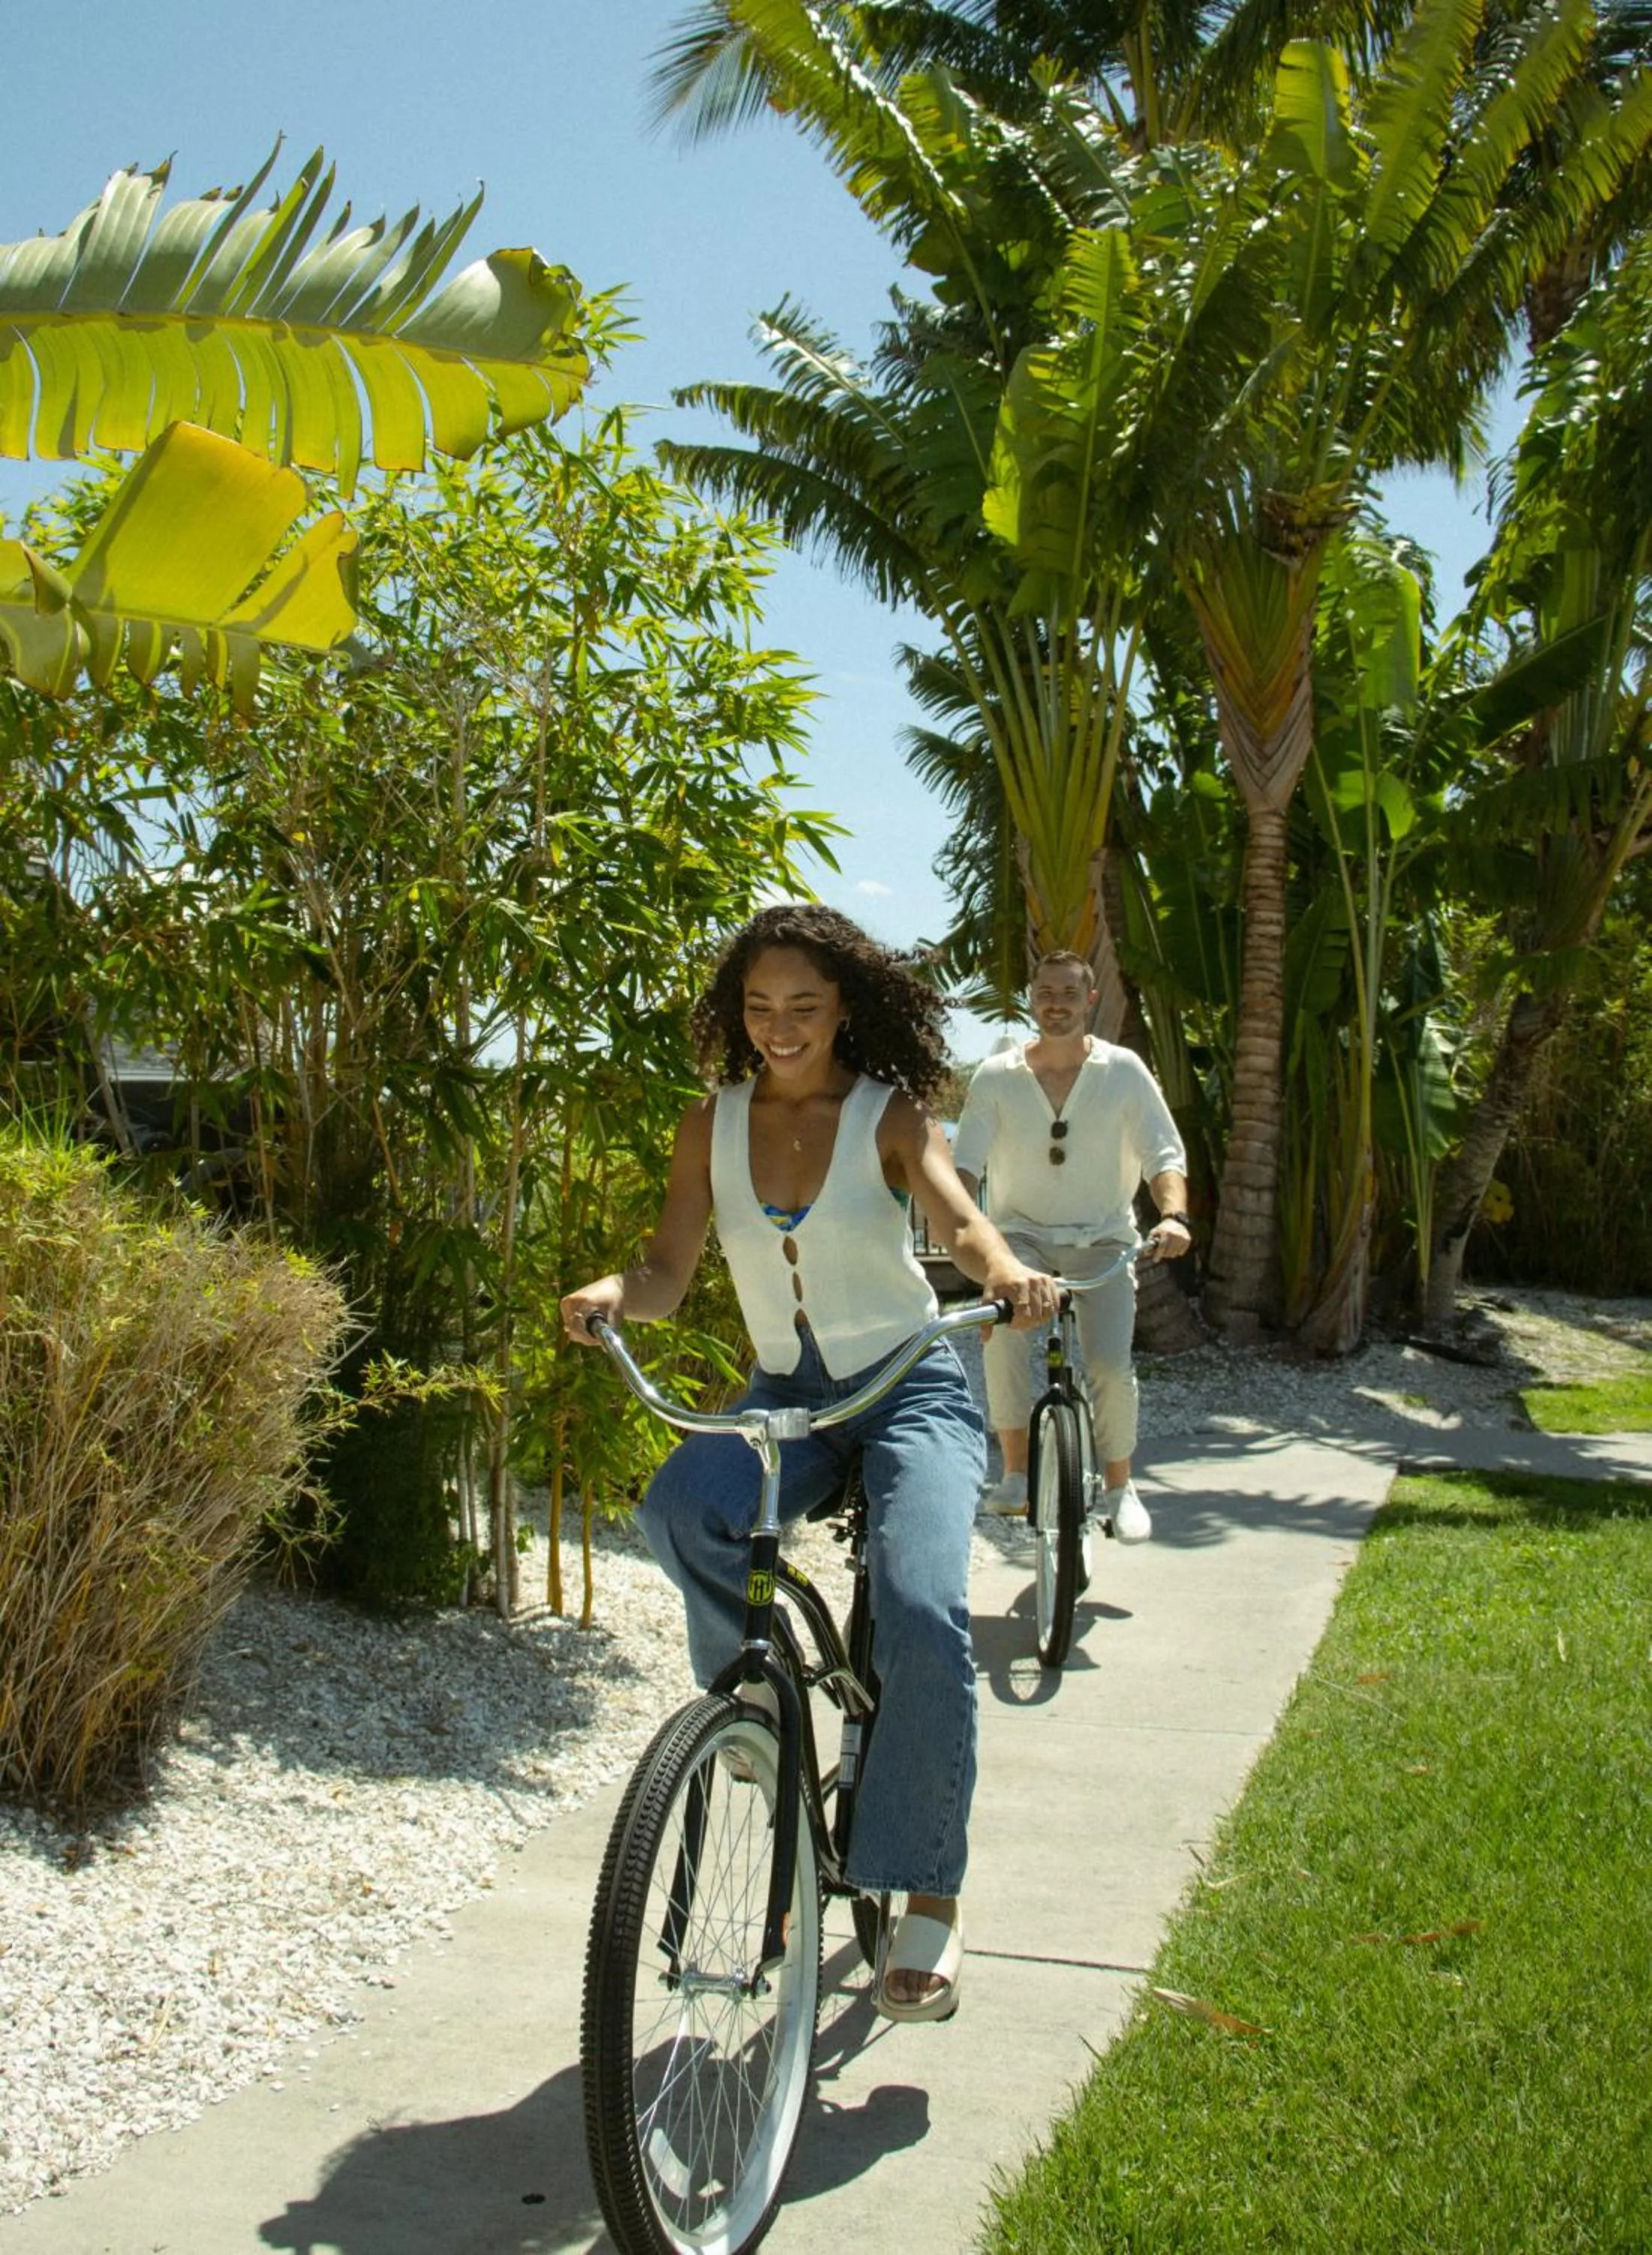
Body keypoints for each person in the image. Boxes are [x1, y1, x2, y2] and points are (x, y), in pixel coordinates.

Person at [559, 903, 1058, 2023]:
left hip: (908, 1387)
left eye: (803, 1006)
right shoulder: (710, 1125)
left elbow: (964, 1227)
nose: (780, 1027)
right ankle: (758, 1727)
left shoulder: (887, 1115)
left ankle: (929, 1889)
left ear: (844, 1010)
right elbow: (665, 1270)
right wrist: (611, 1294)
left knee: (927, 1611)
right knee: (681, 1511)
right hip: (788, 1394)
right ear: (736, 1018)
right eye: (759, 1006)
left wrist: (1007, 1276)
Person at [952, 951, 1192, 1537]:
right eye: (1044, 992)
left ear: (1090, 1000)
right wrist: (974, 1246)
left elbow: (1164, 1154)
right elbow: (963, 1170)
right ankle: (1013, 1474)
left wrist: (1175, 1216)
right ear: (1031, 999)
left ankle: (1119, 1487)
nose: (1054, 1003)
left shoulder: (1124, 1070)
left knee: (1109, 1363)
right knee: (1003, 1339)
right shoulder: (998, 1077)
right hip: (1020, 1241)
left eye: (1068, 993)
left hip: (1104, 1238)